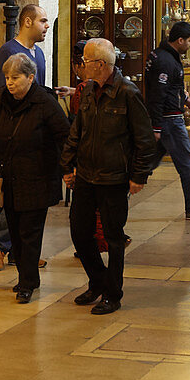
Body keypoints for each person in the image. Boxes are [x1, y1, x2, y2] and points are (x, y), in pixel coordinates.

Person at [62, 38, 159, 315]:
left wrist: (138, 175)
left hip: (114, 179)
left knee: (114, 238)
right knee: (80, 234)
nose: (82, 65)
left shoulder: (128, 93)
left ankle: (112, 294)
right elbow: (76, 132)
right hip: (86, 177)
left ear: (101, 64)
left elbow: (144, 140)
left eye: (86, 61)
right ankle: (98, 281)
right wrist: (67, 166)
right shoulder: (88, 91)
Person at [0, 53, 71, 303]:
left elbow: (65, 136)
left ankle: (27, 282)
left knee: (30, 231)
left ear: (30, 77)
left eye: (15, 77)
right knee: (15, 231)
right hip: (8, 178)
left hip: (37, 178)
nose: (9, 82)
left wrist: (68, 169)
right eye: (7, 77)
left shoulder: (45, 103)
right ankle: (26, 278)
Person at [0, 4, 50, 271]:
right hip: (14, 134)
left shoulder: (39, 54)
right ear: (26, 22)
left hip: (36, 134)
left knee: (30, 198)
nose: (47, 26)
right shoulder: (9, 52)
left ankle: (23, 252)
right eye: (43, 21)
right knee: (12, 195)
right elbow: (6, 98)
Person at [145, 21, 190, 221]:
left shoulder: (167, 56)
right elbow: (157, 95)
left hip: (167, 119)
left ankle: (120, 189)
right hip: (169, 122)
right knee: (188, 164)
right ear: (180, 40)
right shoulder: (166, 61)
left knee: (146, 162)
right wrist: (156, 126)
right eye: (189, 41)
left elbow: (171, 87)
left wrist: (185, 99)